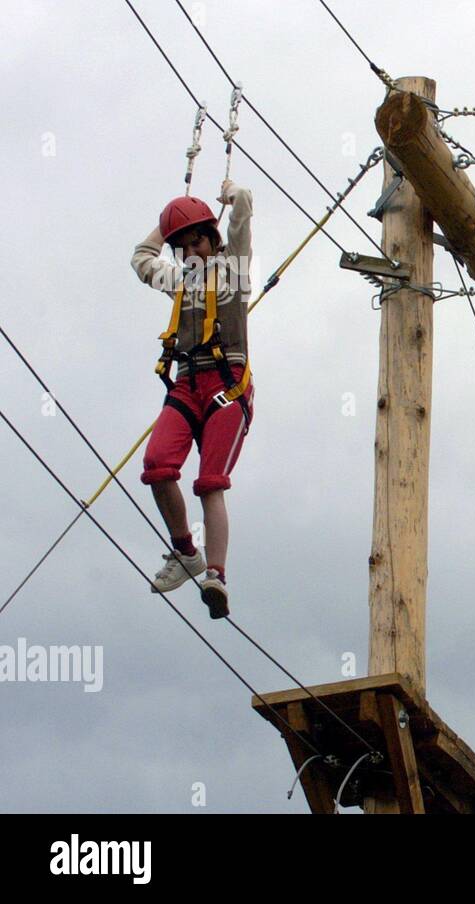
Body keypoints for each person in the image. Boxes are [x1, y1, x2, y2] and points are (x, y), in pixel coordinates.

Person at [130, 180, 253, 619]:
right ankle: (185, 552)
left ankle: (215, 576)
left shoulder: (233, 271)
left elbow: (241, 216)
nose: (191, 252)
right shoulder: (179, 280)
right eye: (181, 247)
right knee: (157, 466)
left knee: (210, 483)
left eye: (197, 240)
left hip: (226, 385)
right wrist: (168, 227)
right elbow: (141, 260)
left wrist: (233, 195)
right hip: (185, 385)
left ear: (212, 239)